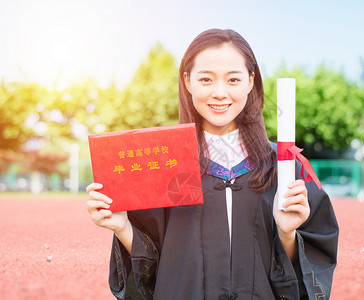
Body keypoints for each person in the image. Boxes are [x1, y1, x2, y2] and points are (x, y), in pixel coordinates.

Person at [87, 28, 339, 300]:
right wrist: (122, 226)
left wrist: (286, 234)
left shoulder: (286, 169)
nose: (220, 93)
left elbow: (305, 275)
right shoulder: (159, 164)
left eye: (233, 79)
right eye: (206, 79)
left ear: (251, 81)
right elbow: (154, 270)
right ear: (187, 81)